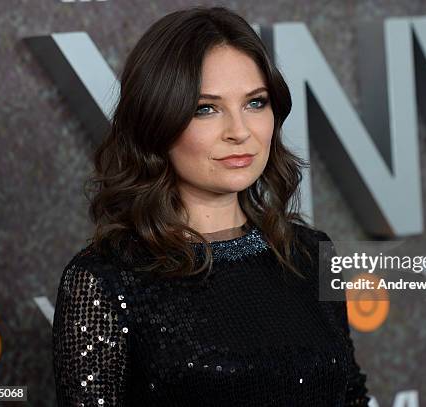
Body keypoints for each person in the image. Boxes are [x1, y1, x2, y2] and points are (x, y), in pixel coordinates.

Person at [52, 5, 370, 406]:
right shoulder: (105, 281)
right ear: (157, 120)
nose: (239, 132)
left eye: (255, 103)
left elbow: (351, 396)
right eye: (206, 109)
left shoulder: (309, 253)